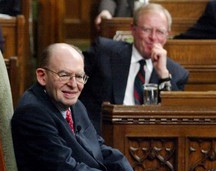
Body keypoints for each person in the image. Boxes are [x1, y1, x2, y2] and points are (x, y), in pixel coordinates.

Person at [11, 42, 195, 171]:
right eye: (65, 75)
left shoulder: (73, 104)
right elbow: (66, 170)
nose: (74, 84)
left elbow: (100, 147)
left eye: (79, 76)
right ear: (42, 76)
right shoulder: (33, 112)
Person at [80, 3, 189, 133]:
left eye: (160, 32)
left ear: (167, 36)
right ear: (133, 29)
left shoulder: (176, 73)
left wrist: (163, 75)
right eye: (146, 29)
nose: (153, 38)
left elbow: (175, 120)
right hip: (102, 136)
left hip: (149, 141)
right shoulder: (103, 52)